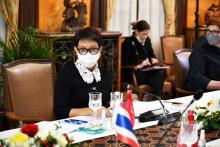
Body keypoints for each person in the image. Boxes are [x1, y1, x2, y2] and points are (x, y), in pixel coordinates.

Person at [54, 27, 112, 119]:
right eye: (83, 50)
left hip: (101, 125)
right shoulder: (66, 74)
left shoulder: (105, 74)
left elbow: (108, 103)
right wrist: (91, 111)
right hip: (74, 127)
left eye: (93, 49)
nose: (88, 54)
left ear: (100, 49)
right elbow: (60, 111)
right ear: (76, 50)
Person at [122, 20, 165, 98]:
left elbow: (151, 55)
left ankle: (157, 100)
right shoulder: (128, 42)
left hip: (146, 71)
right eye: (143, 34)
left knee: (160, 73)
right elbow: (124, 63)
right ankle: (157, 100)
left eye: (147, 34)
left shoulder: (147, 40)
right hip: (135, 72)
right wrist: (139, 65)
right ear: (137, 32)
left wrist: (154, 60)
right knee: (157, 78)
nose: (145, 36)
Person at [187, 22, 220, 91]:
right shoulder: (199, 51)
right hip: (207, 94)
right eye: (208, 31)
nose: (210, 34)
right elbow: (196, 79)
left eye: (215, 31)